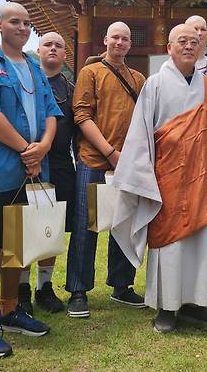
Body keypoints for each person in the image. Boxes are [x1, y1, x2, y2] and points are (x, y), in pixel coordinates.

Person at [111, 23, 207, 333]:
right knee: (169, 242)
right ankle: (167, 307)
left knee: (201, 242)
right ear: (169, 47)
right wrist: (141, 180)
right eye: (182, 41)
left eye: (194, 41)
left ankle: (197, 303)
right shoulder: (154, 84)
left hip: (204, 178)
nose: (189, 46)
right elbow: (140, 136)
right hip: (167, 178)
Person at [0, 2, 63, 358]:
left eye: (27, 23)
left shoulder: (35, 69)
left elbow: (52, 112)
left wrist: (44, 146)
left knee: (19, 243)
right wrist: (26, 150)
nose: (22, 27)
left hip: (34, 170)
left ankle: (8, 309)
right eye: (14, 22)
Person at [67, 21, 146, 318]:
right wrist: (111, 152)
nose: (120, 42)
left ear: (129, 44)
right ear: (105, 39)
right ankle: (78, 289)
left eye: (125, 38)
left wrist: (130, 156)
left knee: (124, 223)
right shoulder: (91, 73)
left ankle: (122, 285)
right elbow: (82, 116)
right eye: (115, 37)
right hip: (94, 159)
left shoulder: (138, 78)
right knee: (87, 225)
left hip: (127, 163)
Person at [18, 32, 76, 314]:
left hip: (61, 163)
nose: (53, 49)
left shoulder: (71, 88)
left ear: (65, 54)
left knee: (50, 228)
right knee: (25, 227)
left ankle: (45, 286)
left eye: (59, 46)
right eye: (48, 45)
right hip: (27, 161)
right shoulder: (25, 80)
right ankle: (21, 288)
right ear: (37, 50)